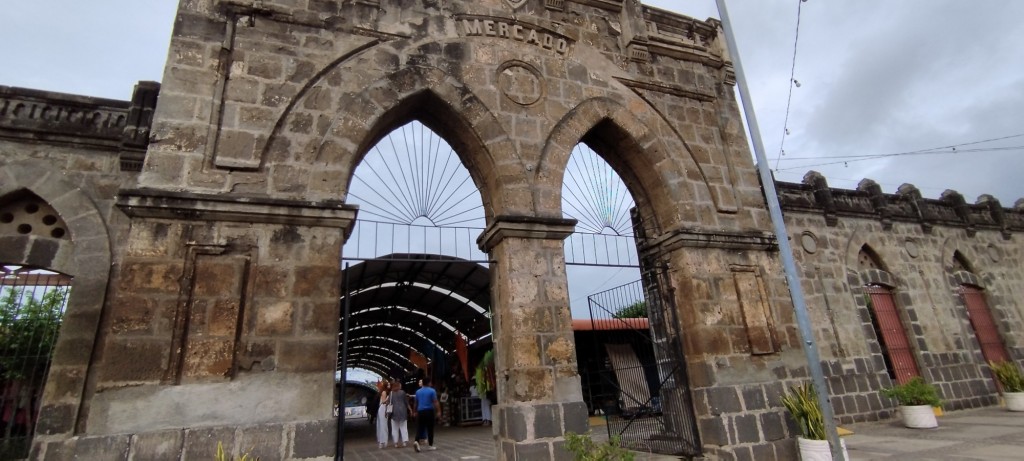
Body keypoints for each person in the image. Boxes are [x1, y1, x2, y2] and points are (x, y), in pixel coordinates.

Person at [412, 376, 440, 452]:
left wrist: (414, 411)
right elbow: (435, 402)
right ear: (429, 383)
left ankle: (416, 441)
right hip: (429, 411)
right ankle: (430, 445)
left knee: (420, 428)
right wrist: (438, 411)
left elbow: (416, 403)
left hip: (420, 411)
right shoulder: (432, 391)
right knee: (430, 428)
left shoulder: (418, 392)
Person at [388, 380, 412, 448]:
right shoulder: (402, 392)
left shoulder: (391, 393)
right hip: (402, 411)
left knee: (394, 428)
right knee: (403, 427)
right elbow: (406, 402)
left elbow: (389, 403)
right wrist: (410, 409)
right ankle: (404, 442)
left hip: (394, 412)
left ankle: (396, 443)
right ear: (399, 386)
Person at [376, 383, 391, 449]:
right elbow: (383, 401)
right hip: (383, 408)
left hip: (383, 408)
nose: (389, 386)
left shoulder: (384, 392)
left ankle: (382, 441)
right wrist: (388, 398)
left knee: (382, 425)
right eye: (388, 385)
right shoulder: (384, 392)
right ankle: (383, 441)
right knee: (383, 425)